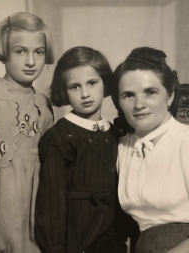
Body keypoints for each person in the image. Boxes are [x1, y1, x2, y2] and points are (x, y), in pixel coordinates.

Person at [35, 46, 139, 253]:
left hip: (112, 241)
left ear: (105, 82)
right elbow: (51, 203)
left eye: (92, 83)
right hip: (75, 239)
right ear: (63, 90)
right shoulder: (60, 138)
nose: (85, 94)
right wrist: (54, 248)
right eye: (74, 87)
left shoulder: (116, 135)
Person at [111, 46, 189, 253]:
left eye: (150, 92)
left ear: (170, 96)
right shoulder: (122, 147)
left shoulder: (185, 141)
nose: (139, 104)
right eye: (128, 95)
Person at [0, 12, 54, 253]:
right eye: (20, 51)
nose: (31, 61)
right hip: (2, 212)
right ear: (3, 51)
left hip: (37, 211)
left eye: (38, 52)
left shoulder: (43, 104)